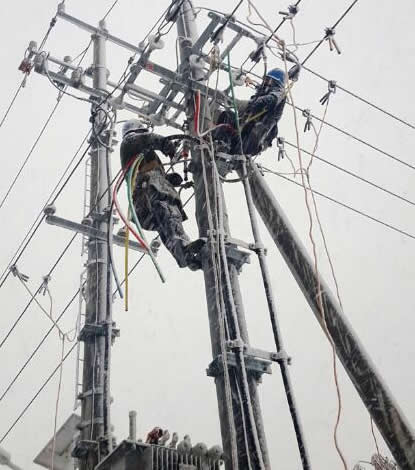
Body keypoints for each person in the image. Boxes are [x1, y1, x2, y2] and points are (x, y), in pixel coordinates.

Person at [119, 120, 204, 270]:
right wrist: (166, 145)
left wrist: (169, 179)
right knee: (170, 216)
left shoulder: (138, 154)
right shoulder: (130, 141)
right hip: (149, 191)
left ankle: (186, 256)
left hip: (144, 203)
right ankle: (184, 248)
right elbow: (149, 139)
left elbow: (149, 171)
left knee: (165, 227)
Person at [214, 59, 300, 156]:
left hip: (253, 138)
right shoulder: (264, 92)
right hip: (245, 131)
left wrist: (248, 103)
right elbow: (259, 93)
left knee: (241, 133)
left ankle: (225, 148)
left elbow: (271, 99)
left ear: (276, 82)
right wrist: (248, 81)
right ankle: (218, 143)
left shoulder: (279, 94)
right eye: (265, 80)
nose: (265, 82)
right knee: (226, 116)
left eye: (268, 80)